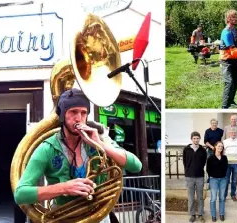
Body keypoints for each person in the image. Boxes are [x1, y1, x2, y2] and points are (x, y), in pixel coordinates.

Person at [14, 88, 142, 223]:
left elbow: (136, 166)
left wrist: (100, 144)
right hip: (64, 217)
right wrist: (64, 188)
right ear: (63, 115)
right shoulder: (46, 148)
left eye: (83, 113)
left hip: (99, 216)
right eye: (73, 112)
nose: (79, 118)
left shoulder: (98, 138)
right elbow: (20, 194)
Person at [183, 131, 207, 223]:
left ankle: (200, 214)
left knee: (200, 197)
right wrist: (188, 170)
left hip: (200, 176)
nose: (196, 140)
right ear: (191, 139)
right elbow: (185, 162)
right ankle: (192, 214)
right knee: (191, 197)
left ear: (199, 139)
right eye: (194, 138)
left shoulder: (202, 150)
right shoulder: (186, 149)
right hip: (189, 176)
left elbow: (204, 162)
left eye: (197, 138)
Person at [206, 141, 228, 222]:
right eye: (219, 146)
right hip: (213, 180)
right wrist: (213, 175)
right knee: (213, 198)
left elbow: (226, 168)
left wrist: (222, 175)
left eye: (221, 147)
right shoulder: (210, 158)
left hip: (223, 179)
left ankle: (221, 214)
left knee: (222, 198)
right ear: (215, 147)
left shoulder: (224, 157)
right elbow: (208, 169)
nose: (220, 148)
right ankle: (213, 215)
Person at [223, 127, 237, 202]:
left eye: (235, 132)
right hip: (227, 164)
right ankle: (224, 195)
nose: (233, 133)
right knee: (226, 180)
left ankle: (233, 194)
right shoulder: (225, 141)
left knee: (234, 181)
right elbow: (223, 152)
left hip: (236, 164)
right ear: (229, 133)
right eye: (232, 132)